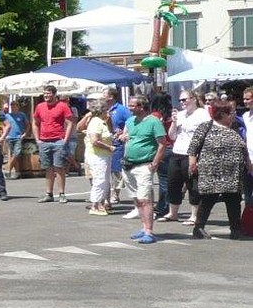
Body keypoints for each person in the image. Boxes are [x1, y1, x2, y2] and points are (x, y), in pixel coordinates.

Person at [187, 101, 249, 239]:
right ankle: (199, 228)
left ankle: (235, 230)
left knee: (234, 201)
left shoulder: (234, 127)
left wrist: (248, 163)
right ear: (222, 114)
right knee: (208, 199)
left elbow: (243, 147)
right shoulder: (206, 126)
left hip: (233, 173)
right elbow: (193, 148)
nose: (234, 115)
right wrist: (192, 164)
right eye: (231, 113)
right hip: (211, 172)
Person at [119, 94, 166, 244]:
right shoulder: (130, 121)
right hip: (128, 164)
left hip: (144, 165)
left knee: (145, 199)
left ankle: (149, 231)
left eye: (132, 105)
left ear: (141, 107)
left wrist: (155, 163)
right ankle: (144, 227)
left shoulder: (153, 122)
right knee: (136, 199)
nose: (129, 108)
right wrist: (123, 136)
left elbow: (162, 143)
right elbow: (127, 136)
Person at [162, 90, 209, 224]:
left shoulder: (202, 114)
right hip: (177, 152)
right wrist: (174, 122)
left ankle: (194, 215)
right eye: (180, 100)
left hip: (193, 154)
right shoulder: (180, 115)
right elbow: (172, 136)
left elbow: (206, 134)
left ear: (193, 99)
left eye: (184, 99)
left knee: (192, 184)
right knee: (173, 183)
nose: (182, 102)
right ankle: (173, 213)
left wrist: (200, 155)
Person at [31, 85, 75, 203]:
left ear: (54, 94)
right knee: (48, 168)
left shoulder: (63, 106)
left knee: (59, 168)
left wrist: (65, 139)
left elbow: (70, 123)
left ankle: (62, 194)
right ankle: (49, 194)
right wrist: (37, 139)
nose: (46, 95)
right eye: (45, 93)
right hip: (44, 141)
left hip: (58, 141)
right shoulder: (40, 106)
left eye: (48, 93)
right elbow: (35, 123)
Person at [81, 99, 115, 215]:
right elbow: (94, 141)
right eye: (106, 110)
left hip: (102, 155)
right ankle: (95, 205)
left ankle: (99, 204)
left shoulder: (101, 122)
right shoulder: (96, 122)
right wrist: (109, 147)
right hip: (97, 156)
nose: (108, 112)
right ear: (101, 111)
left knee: (103, 180)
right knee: (100, 180)